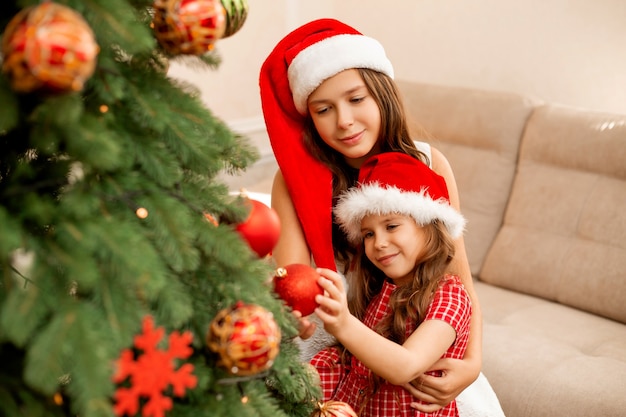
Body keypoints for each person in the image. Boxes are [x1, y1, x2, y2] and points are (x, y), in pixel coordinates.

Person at [259, 18, 504, 416]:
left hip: (411, 352)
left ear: (382, 94)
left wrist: (473, 365)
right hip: (331, 357)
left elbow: (459, 283)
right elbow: (293, 287)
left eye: (356, 99)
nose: (344, 121)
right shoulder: (293, 183)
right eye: (324, 110)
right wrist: (293, 319)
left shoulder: (429, 164)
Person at [313, 151, 470, 416]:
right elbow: (353, 363)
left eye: (392, 226)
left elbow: (406, 366)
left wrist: (343, 324)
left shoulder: (449, 295)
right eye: (369, 234)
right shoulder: (378, 291)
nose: (379, 243)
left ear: (429, 225)